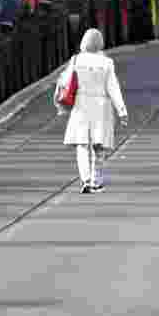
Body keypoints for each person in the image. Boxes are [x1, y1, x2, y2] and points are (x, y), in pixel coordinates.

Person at [55, 29, 129, 194]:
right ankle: (97, 181)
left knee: (82, 145)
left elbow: (65, 82)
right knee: (99, 146)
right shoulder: (107, 63)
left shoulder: (76, 60)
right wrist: (122, 111)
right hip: (101, 107)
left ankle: (85, 180)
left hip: (81, 106)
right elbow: (113, 88)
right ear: (100, 43)